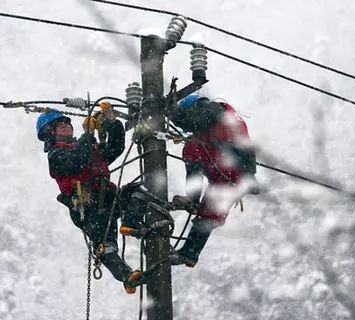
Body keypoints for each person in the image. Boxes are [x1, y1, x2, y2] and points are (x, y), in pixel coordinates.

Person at [36, 106, 142, 294]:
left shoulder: (86, 148)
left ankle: (130, 224)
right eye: (60, 125)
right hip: (87, 207)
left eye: (67, 123)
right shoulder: (56, 155)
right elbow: (78, 160)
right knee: (105, 247)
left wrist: (112, 123)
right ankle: (127, 277)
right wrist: (89, 134)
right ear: (49, 133)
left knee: (137, 192)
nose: (66, 126)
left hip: (107, 199)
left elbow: (115, 147)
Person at [167, 93, 260, 267]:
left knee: (192, 148)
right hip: (232, 176)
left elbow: (199, 121)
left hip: (227, 165)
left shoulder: (213, 109)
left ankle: (192, 199)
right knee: (208, 216)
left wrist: (174, 115)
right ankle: (189, 254)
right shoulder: (224, 120)